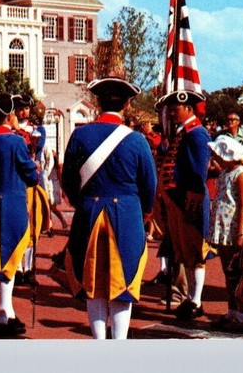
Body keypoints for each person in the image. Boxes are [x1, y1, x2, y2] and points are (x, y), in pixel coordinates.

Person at [59, 78, 157, 339]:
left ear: (97, 103)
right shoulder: (137, 140)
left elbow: (67, 178)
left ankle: (100, 344)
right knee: (122, 282)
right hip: (126, 215)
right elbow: (149, 184)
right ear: (126, 104)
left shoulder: (80, 135)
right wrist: (145, 213)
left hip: (88, 213)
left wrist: (79, 201)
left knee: (92, 282)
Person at [0, 93, 39, 337]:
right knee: (12, 257)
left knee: (6, 257)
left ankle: (7, 312)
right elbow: (31, 175)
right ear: (9, 114)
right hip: (14, 199)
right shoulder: (15, 141)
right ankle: (3, 314)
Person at [155, 88, 212, 322]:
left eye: (175, 109)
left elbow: (198, 172)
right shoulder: (183, 133)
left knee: (195, 252)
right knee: (186, 253)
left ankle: (196, 300)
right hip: (177, 201)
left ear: (188, 108)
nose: (171, 114)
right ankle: (191, 297)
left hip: (189, 201)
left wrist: (192, 201)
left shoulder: (196, 134)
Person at [204, 135, 243, 333]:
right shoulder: (225, 172)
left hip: (233, 228)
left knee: (237, 272)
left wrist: (241, 233)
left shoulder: (241, 174)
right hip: (223, 228)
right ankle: (232, 311)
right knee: (228, 271)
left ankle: (242, 314)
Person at [13, 95, 50, 286]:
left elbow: (35, 144)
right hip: (16, 182)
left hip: (32, 182)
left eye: (26, 108)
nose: (23, 112)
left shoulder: (37, 130)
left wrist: (17, 130)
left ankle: (29, 268)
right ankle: (17, 268)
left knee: (34, 226)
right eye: (20, 109)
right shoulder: (11, 131)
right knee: (19, 226)